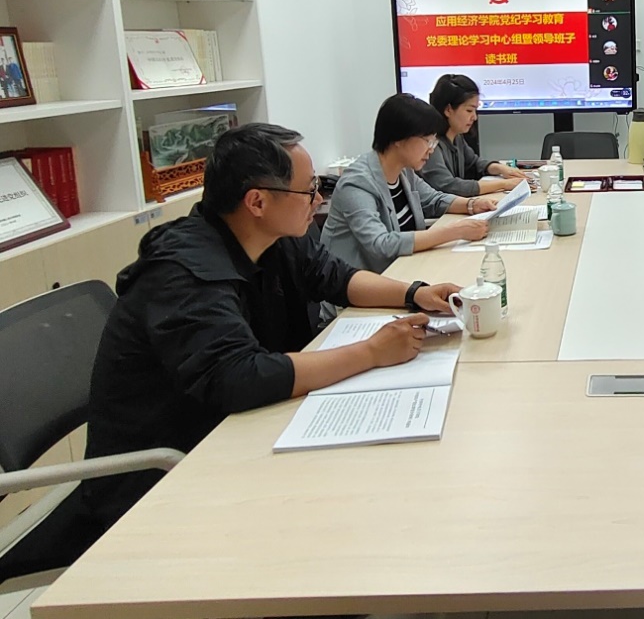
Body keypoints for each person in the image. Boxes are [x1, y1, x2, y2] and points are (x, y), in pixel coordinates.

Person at [0, 123, 464, 583]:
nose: (319, 199)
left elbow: (334, 277)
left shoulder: (271, 237)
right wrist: (371, 352)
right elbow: (241, 377)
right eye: (309, 190)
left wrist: (414, 292)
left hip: (234, 432)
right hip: (165, 471)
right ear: (257, 201)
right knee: (353, 529)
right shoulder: (182, 272)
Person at [323, 93, 498, 273]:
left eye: (434, 142)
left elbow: (433, 199)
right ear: (399, 138)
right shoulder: (357, 183)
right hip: (359, 283)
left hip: (402, 268)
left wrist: (472, 205)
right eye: (427, 141)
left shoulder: (404, 171)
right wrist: (455, 232)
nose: (431, 150)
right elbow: (380, 244)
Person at [423, 74, 527, 198]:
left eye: (475, 110)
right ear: (448, 110)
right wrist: (504, 184)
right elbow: (449, 186)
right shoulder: (430, 145)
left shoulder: (457, 137)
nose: (474, 117)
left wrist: (502, 169)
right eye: (469, 110)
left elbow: (475, 163)